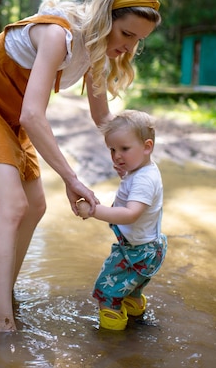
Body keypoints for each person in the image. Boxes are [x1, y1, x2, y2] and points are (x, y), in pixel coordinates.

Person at [0, 0, 162, 332]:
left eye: (138, 40)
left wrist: (142, 153)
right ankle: (4, 326)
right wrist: (71, 177)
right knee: (13, 205)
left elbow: (103, 119)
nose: (128, 47)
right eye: (126, 33)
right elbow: (34, 115)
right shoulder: (57, 34)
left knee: (35, 206)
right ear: (106, 18)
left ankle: (2, 294)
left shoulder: (97, 50)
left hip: (13, 116)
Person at [76, 110, 167, 331]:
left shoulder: (144, 179)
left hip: (137, 252)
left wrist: (94, 211)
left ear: (147, 147)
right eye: (112, 149)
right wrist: (124, 176)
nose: (117, 155)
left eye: (124, 149)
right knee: (130, 288)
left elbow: (130, 214)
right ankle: (136, 315)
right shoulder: (141, 171)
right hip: (146, 249)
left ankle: (112, 339)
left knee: (106, 292)